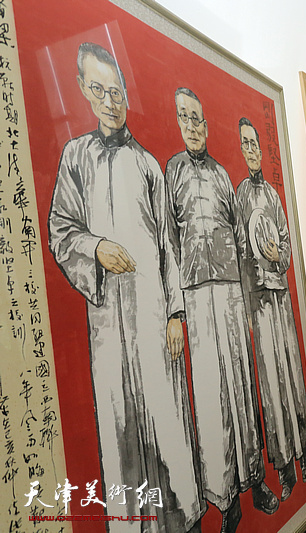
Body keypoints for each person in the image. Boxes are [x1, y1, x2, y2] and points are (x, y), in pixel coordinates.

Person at [48, 43, 204, 531]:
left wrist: (177, 315)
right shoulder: (75, 157)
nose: (110, 100)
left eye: (116, 90)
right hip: (108, 324)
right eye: (99, 90)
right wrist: (94, 247)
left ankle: (185, 520)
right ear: (83, 91)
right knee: (118, 429)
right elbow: (60, 228)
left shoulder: (149, 166)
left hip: (156, 316)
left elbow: (169, 249)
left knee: (167, 425)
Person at [165, 88, 279, 528]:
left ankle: (254, 479)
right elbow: (168, 246)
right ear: (178, 122)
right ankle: (223, 495)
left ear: (207, 126)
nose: (193, 126)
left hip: (231, 292)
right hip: (195, 294)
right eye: (185, 118)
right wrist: (176, 308)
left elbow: (240, 241)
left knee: (242, 387)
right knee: (212, 395)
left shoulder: (222, 178)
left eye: (198, 118)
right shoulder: (172, 171)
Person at [235, 117, 306, 501]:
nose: (251, 150)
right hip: (259, 303)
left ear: (262, 151)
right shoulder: (239, 196)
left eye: (255, 144)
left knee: (293, 375)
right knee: (271, 385)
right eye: (245, 144)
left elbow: (285, 244)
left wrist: (277, 255)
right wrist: (255, 262)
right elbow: (238, 250)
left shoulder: (274, 197)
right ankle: (283, 466)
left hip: (281, 298)